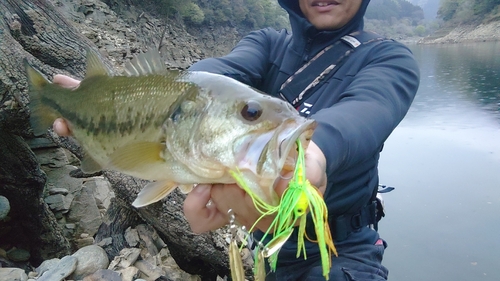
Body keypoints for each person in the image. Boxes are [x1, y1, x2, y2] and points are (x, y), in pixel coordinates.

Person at [53, 0, 419, 279]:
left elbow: (365, 112)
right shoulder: (266, 44)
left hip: (342, 248)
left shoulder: (388, 59)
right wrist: (141, 102)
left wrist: (313, 157)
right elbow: (211, 75)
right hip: (261, 248)